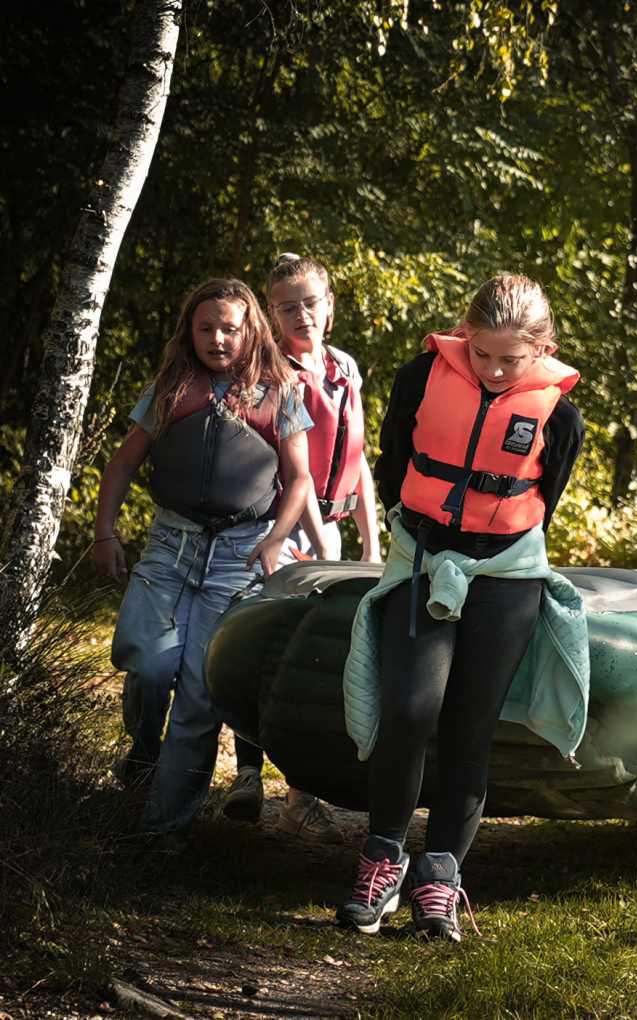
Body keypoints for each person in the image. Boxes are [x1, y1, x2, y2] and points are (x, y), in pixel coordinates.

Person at [335, 273, 587, 941]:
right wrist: (420, 529)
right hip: (422, 557)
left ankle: (439, 881)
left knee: (470, 728)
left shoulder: (560, 417)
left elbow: (546, 496)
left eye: (512, 359)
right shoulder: (421, 377)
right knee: (411, 707)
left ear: (542, 349)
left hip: (507, 573)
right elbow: (394, 458)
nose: (496, 370)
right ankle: (383, 859)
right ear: (463, 337)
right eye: (482, 355)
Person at [95, 278, 314, 838]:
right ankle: (143, 757)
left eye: (229, 329)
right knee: (148, 666)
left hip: (238, 556)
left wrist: (274, 541)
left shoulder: (280, 390)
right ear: (189, 330)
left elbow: (299, 481)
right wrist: (105, 534)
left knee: (198, 693)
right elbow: (121, 466)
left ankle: (159, 832)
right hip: (171, 544)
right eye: (206, 327)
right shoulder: (172, 385)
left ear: (251, 331)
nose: (218, 339)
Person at [221, 253, 379, 842]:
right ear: (271, 313)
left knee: (326, 655)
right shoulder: (270, 374)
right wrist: (318, 537)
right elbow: (296, 474)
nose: (302, 315)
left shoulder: (344, 369)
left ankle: (302, 794)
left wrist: (369, 535)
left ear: (330, 305)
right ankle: (246, 774)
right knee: (273, 647)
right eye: (287, 307)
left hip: (337, 527)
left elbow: (357, 460)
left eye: (311, 303)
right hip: (290, 528)